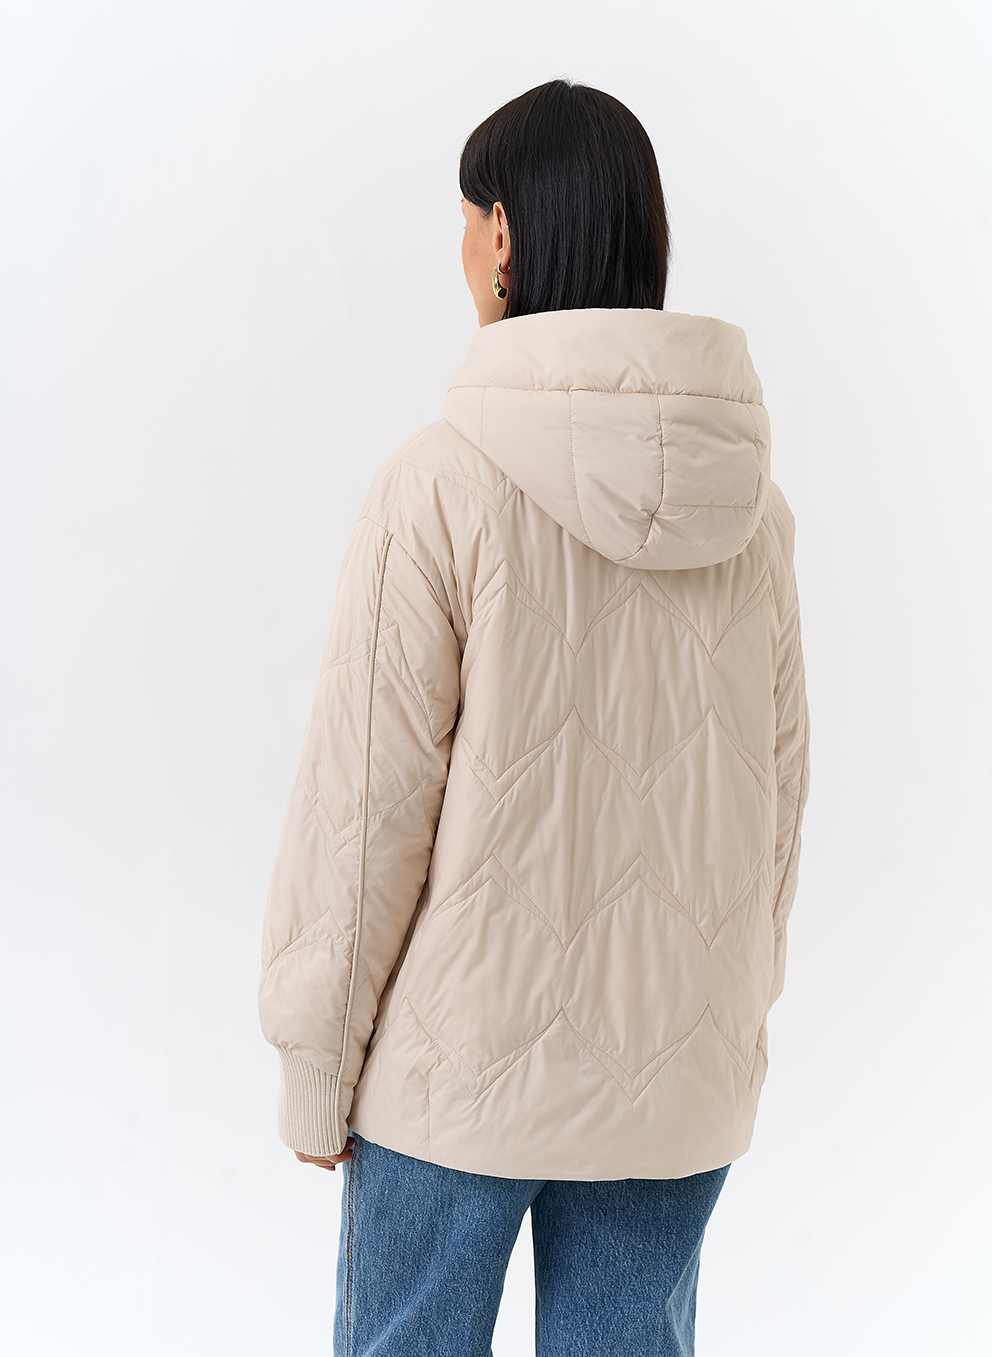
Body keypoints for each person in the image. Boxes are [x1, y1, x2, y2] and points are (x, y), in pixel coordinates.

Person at [258, 78, 810, 1357]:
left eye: (465, 220)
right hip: (676, 1076)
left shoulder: (438, 484)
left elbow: (364, 806)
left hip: (453, 1075)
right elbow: (776, 797)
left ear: (502, 233)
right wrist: (727, 1017)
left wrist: (316, 1059)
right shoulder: (753, 513)